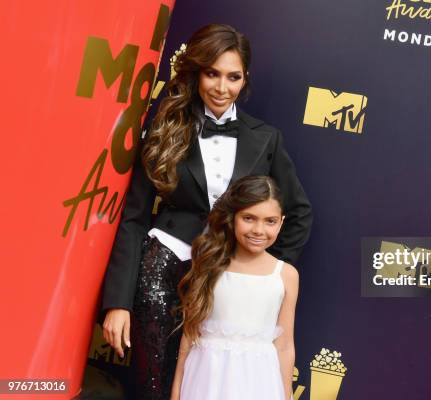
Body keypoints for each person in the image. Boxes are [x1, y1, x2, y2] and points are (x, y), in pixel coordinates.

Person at [100, 24, 312, 399]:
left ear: (245, 80)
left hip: (225, 286)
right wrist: (117, 302)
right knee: (154, 387)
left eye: (233, 77)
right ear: (197, 72)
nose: (221, 87)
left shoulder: (266, 138)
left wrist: (257, 272)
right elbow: (132, 219)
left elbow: (298, 212)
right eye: (212, 73)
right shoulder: (165, 128)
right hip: (162, 271)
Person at [171, 175, 298, 400]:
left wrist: (287, 394)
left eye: (270, 221)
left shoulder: (286, 274)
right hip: (205, 378)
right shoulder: (210, 265)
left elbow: (285, 345)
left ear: (281, 222)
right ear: (233, 218)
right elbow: (189, 336)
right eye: (249, 218)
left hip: (259, 382)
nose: (259, 230)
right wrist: (176, 392)